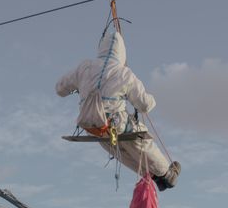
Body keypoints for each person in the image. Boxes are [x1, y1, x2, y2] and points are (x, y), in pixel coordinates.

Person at [55, 29, 180, 191]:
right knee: (141, 144)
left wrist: (78, 88)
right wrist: (152, 99)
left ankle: (154, 175)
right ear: (122, 52)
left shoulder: (84, 67)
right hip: (117, 125)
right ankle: (167, 175)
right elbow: (145, 106)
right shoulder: (124, 73)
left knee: (121, 150)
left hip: (93, 128)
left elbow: (60, 89)